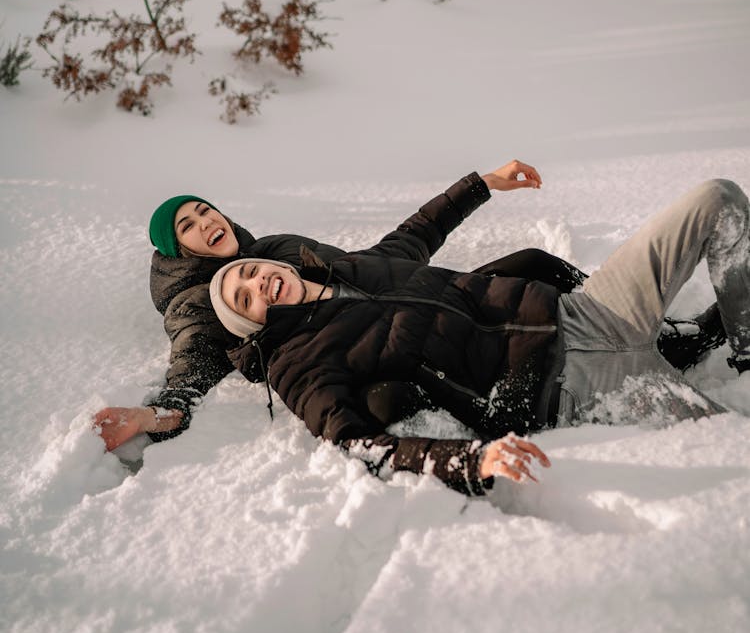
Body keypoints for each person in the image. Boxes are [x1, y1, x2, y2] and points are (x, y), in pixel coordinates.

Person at [93, 165, 726, 452]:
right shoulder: (205, 311)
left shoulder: (276, 253)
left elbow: (396, 252)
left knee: (535, 262)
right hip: (534, 378)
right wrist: (160, 412)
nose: (207, 222)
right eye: (189, 225)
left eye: (205, 209)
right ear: (178, 250)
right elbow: (192, 367)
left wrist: (478, 184)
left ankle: (671, 340)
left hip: (541, 320)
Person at [201, 175, 749, 498]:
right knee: (736, 445)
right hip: (578, 389)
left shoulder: (353, 267)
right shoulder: (298, 363)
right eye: (246, 301)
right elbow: (355, 442)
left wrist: (484, 182)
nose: (259, 286)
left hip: (587, 313)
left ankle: (745, 347)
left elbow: (419, 230)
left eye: (248, 274)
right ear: (254, 325)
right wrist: (470, 461)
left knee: (716, 198)